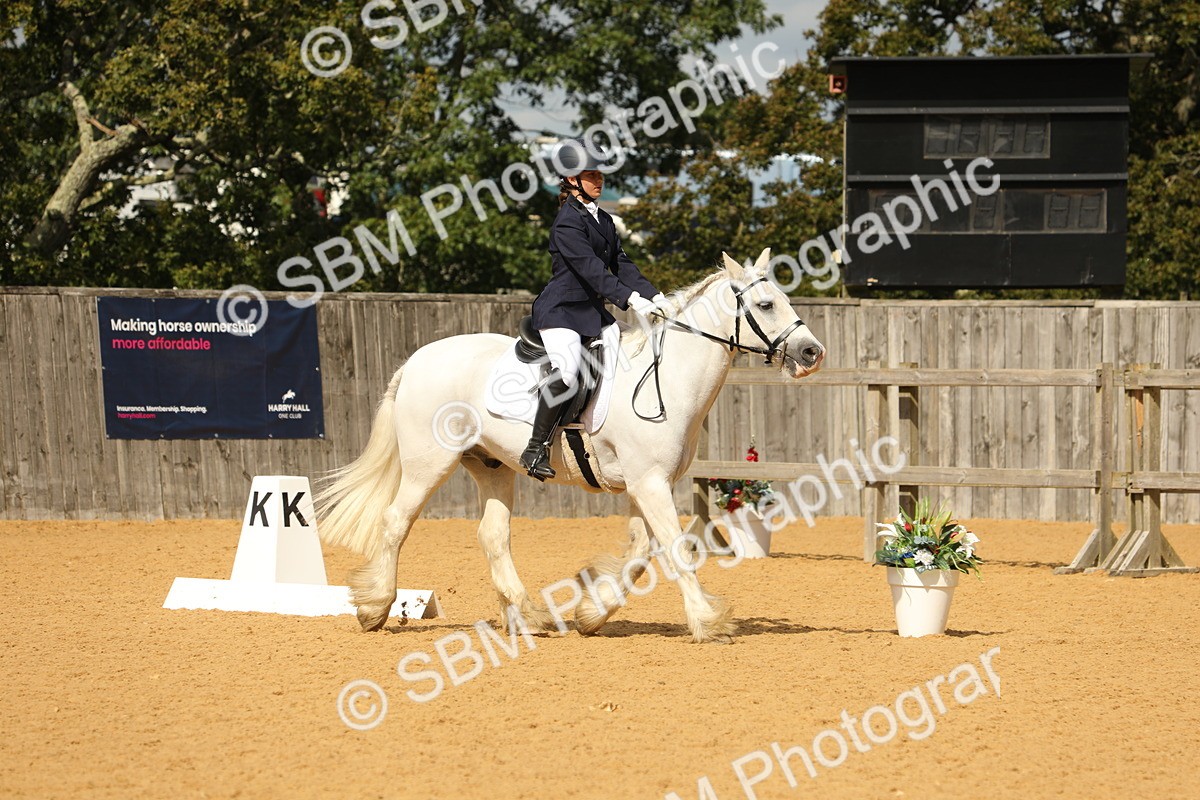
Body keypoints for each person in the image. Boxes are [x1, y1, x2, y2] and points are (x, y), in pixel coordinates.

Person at [519, 138, 668, 480]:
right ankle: (535, 447)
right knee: (569, 370)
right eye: (590, 174)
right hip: (562, 312)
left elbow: (621, 264)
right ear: (572, 179)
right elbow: (592, 270)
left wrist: (654, 295)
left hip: (594, 315)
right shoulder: (567, 222)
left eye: (600, 174)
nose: (598, 180)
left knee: (635, 353)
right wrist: (630, 300)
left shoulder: (603, 220)